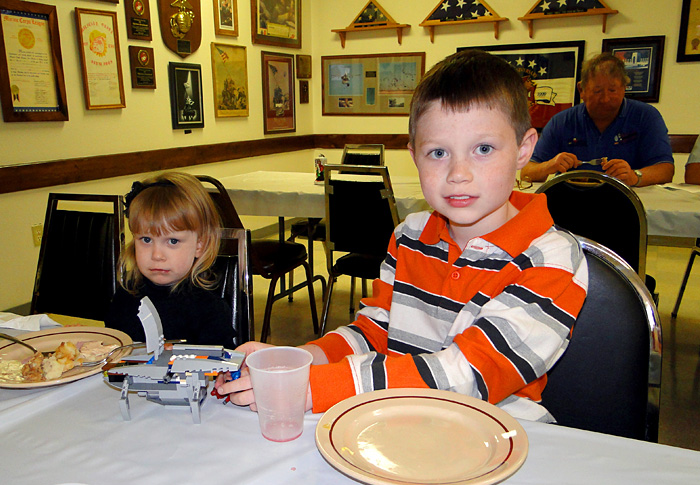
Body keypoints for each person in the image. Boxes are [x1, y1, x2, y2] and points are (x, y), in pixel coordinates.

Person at [219, 50, 588, 422]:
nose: (458, 173)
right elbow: (376, 332)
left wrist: (316, 385)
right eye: (438, 152)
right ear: (414, 155)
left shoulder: (552, 257)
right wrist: (300, 362)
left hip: (501, 436)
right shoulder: (409, 235)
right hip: (400, 421)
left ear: (524, 149)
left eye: (484, 149)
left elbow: (470, 374)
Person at [104, 172, 236, 348]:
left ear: (199, 245)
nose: (157, 255)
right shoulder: (125, 297)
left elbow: (222, 368)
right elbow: (113, 350)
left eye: (173, 241)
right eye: (146, 239)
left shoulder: (209, 309)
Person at [521, 53, 674, 187]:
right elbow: (526, 172)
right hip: (572, 202)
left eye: (612, 90)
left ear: (624, 88)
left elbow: (665, 169)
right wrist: (550, 165)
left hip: (627, 203)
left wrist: (635, 176)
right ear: (581, 90)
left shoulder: (646, 116)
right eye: (597, 91)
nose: (605, 99)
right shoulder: (561, 121)